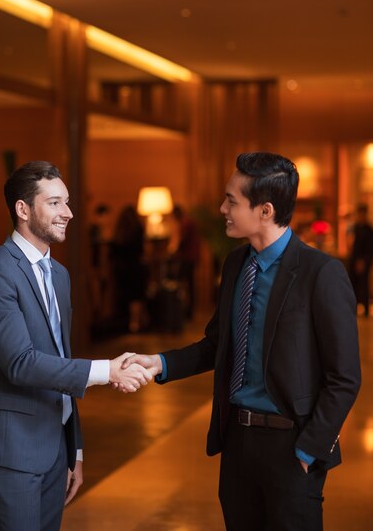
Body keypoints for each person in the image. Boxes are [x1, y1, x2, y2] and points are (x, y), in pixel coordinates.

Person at [121, 152, 361, 531]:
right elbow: (218, 344)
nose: (222, 208)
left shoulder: (321, 273)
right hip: (238, 443)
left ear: (265, 210)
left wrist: (309, 449)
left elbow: (345, 377)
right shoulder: (236, 265)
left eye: (231, 200)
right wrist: (160, 363)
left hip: (292, 446)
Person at [0, 161, 151, 531]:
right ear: (22, 209)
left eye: (66, 202)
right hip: (11, 449)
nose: (67, 212)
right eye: (54, 203)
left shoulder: (60, 275)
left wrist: (75, 450)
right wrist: (106, 370)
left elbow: (59, 361)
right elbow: (20, 363)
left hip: (56, 449)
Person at [110, 205, 147, 332]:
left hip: (122, 270)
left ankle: (128, 323)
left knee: (125, 297)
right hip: (136, 267)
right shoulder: (138, 230)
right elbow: (141, 250)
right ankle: (135, 323)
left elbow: (113, 254)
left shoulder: (119, 233)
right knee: (136, 297)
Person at [171, 204, 201, 319]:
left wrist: (174, 252)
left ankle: (184, 310)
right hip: (192, 257)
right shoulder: (189, 221)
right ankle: (189, 310)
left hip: (187, 258)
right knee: (190, 284)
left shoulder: (185, 223)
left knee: (183, 283)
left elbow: (182, 241)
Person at [348, 202, 373, 317]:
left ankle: (366, 309)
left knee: (364, 285)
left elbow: (369, 248)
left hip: (364, 261)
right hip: (354, 260)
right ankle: (354, 307)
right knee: (353, 284)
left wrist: (363, 261)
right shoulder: (356, 227)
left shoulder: (368, 229)